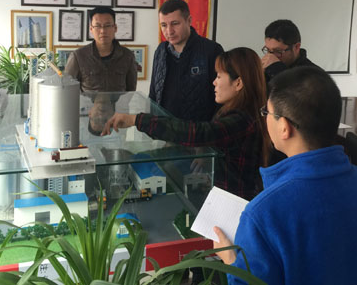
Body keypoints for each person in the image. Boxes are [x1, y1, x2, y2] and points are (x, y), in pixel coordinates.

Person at [213, 66, 357, 285]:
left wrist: (231, 261)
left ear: (284, 127)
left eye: (266, 112)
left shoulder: (264, 212)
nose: (264, 118)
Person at [103, 47, 270, 201]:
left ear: (238, 83)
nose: (214, 82)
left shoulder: (242, 120)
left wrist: (136, 120)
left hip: (233, 203)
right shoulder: (235, 112)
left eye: (219, 76)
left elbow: (197, 133)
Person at [149, 0, 224, 122]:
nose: (169, 31)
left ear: (189, 21)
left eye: (175, 23)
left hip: (199, 129)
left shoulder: (211, 50)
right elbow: (153, 95)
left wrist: (212, 129)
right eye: (164, 25)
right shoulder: (160, 51)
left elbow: (222, 97)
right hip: (164, 128)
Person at [65, 6, 137, 92]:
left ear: (115, 28)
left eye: (107, 26)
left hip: (119, 102)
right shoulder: (78, 56)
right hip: (88, 101)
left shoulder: (128, 56)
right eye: (98, 26)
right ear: (91, 29)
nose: (102, 31)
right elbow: (68, 89)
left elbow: (131, 90)